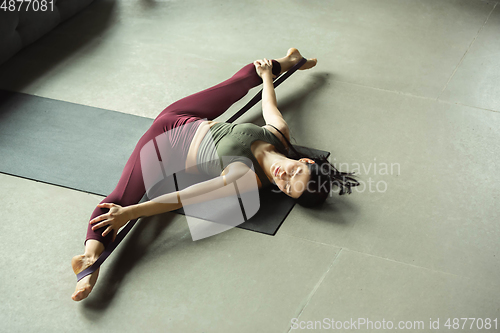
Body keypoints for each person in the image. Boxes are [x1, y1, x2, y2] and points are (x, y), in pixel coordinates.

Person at [71, 48, 359, 301]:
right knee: (245, 77)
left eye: (286, 186)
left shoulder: (244, 178)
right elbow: (269, 106)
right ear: (305, 160)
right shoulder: (279, 135)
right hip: (184, 115)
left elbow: (182, 197)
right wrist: (268, 76)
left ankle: (91, 259)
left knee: (117, 201)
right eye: (295, 171)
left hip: (160, 146)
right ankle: (291, 59)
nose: (283, 175)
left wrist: (131, 213)